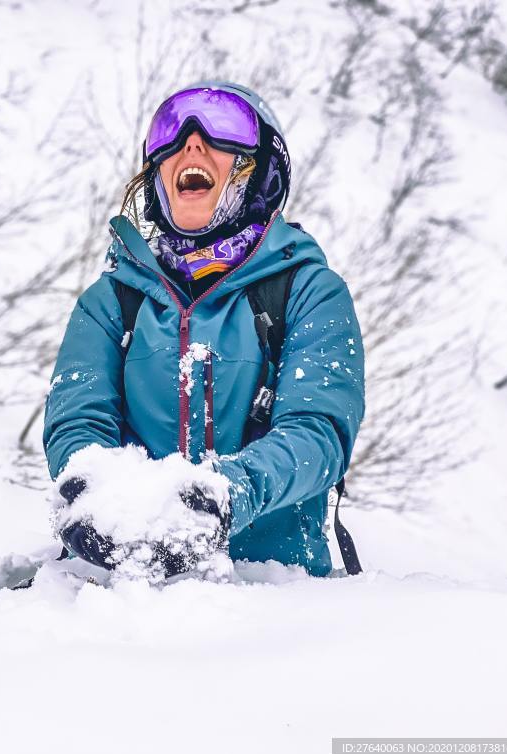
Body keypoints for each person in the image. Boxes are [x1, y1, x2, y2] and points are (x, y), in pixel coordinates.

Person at [42, 82, 366, 578]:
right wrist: (91, 490)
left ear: (260, 171)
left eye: (225, 129)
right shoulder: (110, 301)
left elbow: (318, 434)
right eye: (169, 130)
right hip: (113, 597)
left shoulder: (309, 292)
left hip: (274, 598)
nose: (190, 143)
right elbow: (78, 422)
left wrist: (223, 496)